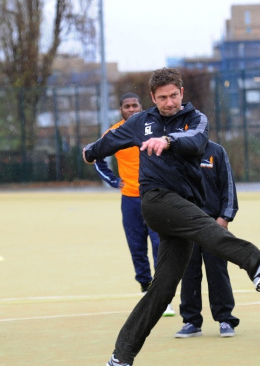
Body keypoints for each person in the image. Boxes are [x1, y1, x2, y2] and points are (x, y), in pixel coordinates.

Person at [82, 67, 260, 366]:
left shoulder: (196, 119)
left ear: (182, 93)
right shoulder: (141, 121)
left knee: (162, 290)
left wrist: (167, 141)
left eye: (174, 96)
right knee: (206, 227)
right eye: (162, 97)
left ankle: (120, 356)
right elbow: (111, 140)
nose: (169, 102)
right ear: (152, 98)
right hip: (155, 199)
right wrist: (90, 152)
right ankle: (257, 262)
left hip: (182, 205)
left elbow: (195, 141)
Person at [94, 93, 174, 317]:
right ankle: (145, 286)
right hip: (130, 198)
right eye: (127, 106)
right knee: (136, 246)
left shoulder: (155, 128)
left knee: (160, 244)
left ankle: (162, 297)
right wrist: (112, 179)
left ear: (141, 107)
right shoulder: (114, 133)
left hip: (156, 196)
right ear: (121, 109)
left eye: (135, 105)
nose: (131, 109)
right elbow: (97, 157)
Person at [175, 140, 240, 338]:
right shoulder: (176, 151)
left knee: (217, 271)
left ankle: (225, 318)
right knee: (189, 273)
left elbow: (228, 184)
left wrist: (225, 216)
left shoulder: (216, 151)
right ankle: (191, 321)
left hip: (213, 223)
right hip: (187, 223)